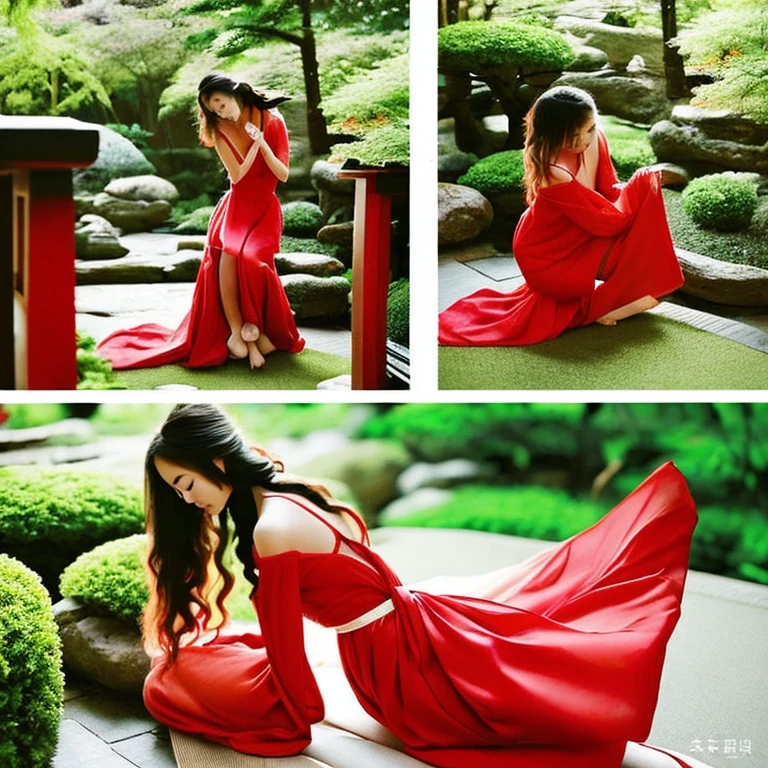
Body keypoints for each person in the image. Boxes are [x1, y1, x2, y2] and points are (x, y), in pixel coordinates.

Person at [142, 404, 698, 768]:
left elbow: (295, 687)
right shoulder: (286, 497)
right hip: (411, 626)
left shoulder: (273, 528)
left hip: (396, 665)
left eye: (185, 484)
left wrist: (224, 700)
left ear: (216, 461)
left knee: (170, 680)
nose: (187, 500)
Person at [439, 86, 684, 346]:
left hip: (581, 233)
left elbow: (608, 189)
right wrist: (641, 186)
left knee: (647, 273)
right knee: (639, 279)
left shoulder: (596, 137)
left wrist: (636, 192)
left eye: (589, 129)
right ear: (553, 135)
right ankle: (591, 312)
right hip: (546, 253)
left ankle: (598, 306)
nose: (583, 142)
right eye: (571, 138)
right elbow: (602, 222)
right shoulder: (551, 167)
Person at [97, 73, 305, 371]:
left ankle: (262, 330)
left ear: (235, 93)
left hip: (263, 208)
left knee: (254, 260)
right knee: (229, 255)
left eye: (221, 104)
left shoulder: (273, 121)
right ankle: (236, 332)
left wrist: (262, 144)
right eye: (214, 109)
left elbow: (282, 174)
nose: (220, 112)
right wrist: (254, 147)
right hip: (237, 205)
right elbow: (238, 177)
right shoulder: (219, 128)